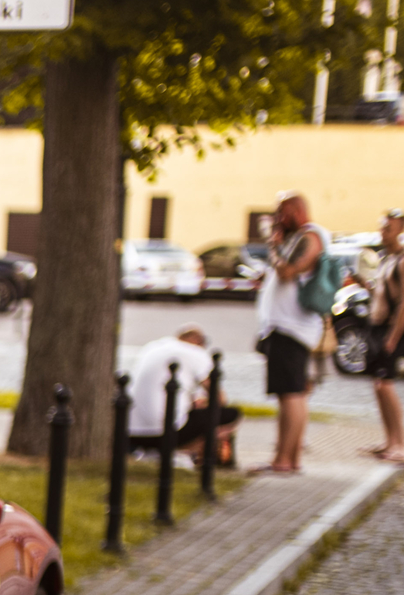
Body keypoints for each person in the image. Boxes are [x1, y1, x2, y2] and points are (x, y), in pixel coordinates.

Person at [254, 191, 327, 473]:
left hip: (292, 328)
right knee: (290, 393)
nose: (277, 218)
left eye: (280, 212)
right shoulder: (299, 238)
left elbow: (287, 272)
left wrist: (273, 245)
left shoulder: (311, 237)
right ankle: (287, 458)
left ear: (294, 212)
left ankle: (285, 460)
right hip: (283, 327)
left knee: (291, 394)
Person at [124, 326, 239, 467]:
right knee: (231, 414)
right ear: (198, 341)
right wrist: (205, 402)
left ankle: (153, 454)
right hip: (167, 433)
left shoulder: (153, 347)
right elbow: (220, 399)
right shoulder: (195, 352)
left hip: (131, 433)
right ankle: (195, 460)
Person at [365, 208, 404, 465]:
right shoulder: (386, 258)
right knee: (379, 386)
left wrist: (393, 337)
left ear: (400, 231)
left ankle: (401, 446)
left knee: (386, 385)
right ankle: (389, 441)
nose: (383, 231)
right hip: (377, 328)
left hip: (390, 330)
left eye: (388, 228)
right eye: (382, 226)